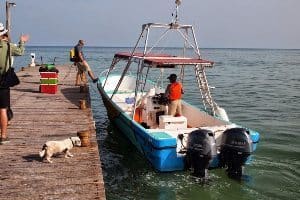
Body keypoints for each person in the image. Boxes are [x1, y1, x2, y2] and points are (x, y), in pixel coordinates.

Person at [0, 23, 29, 144]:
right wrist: (22, 41)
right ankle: (3, 137)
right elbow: (21, 52)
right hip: (3, 82)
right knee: (2, 109)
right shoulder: (8, 46)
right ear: (3, 34)